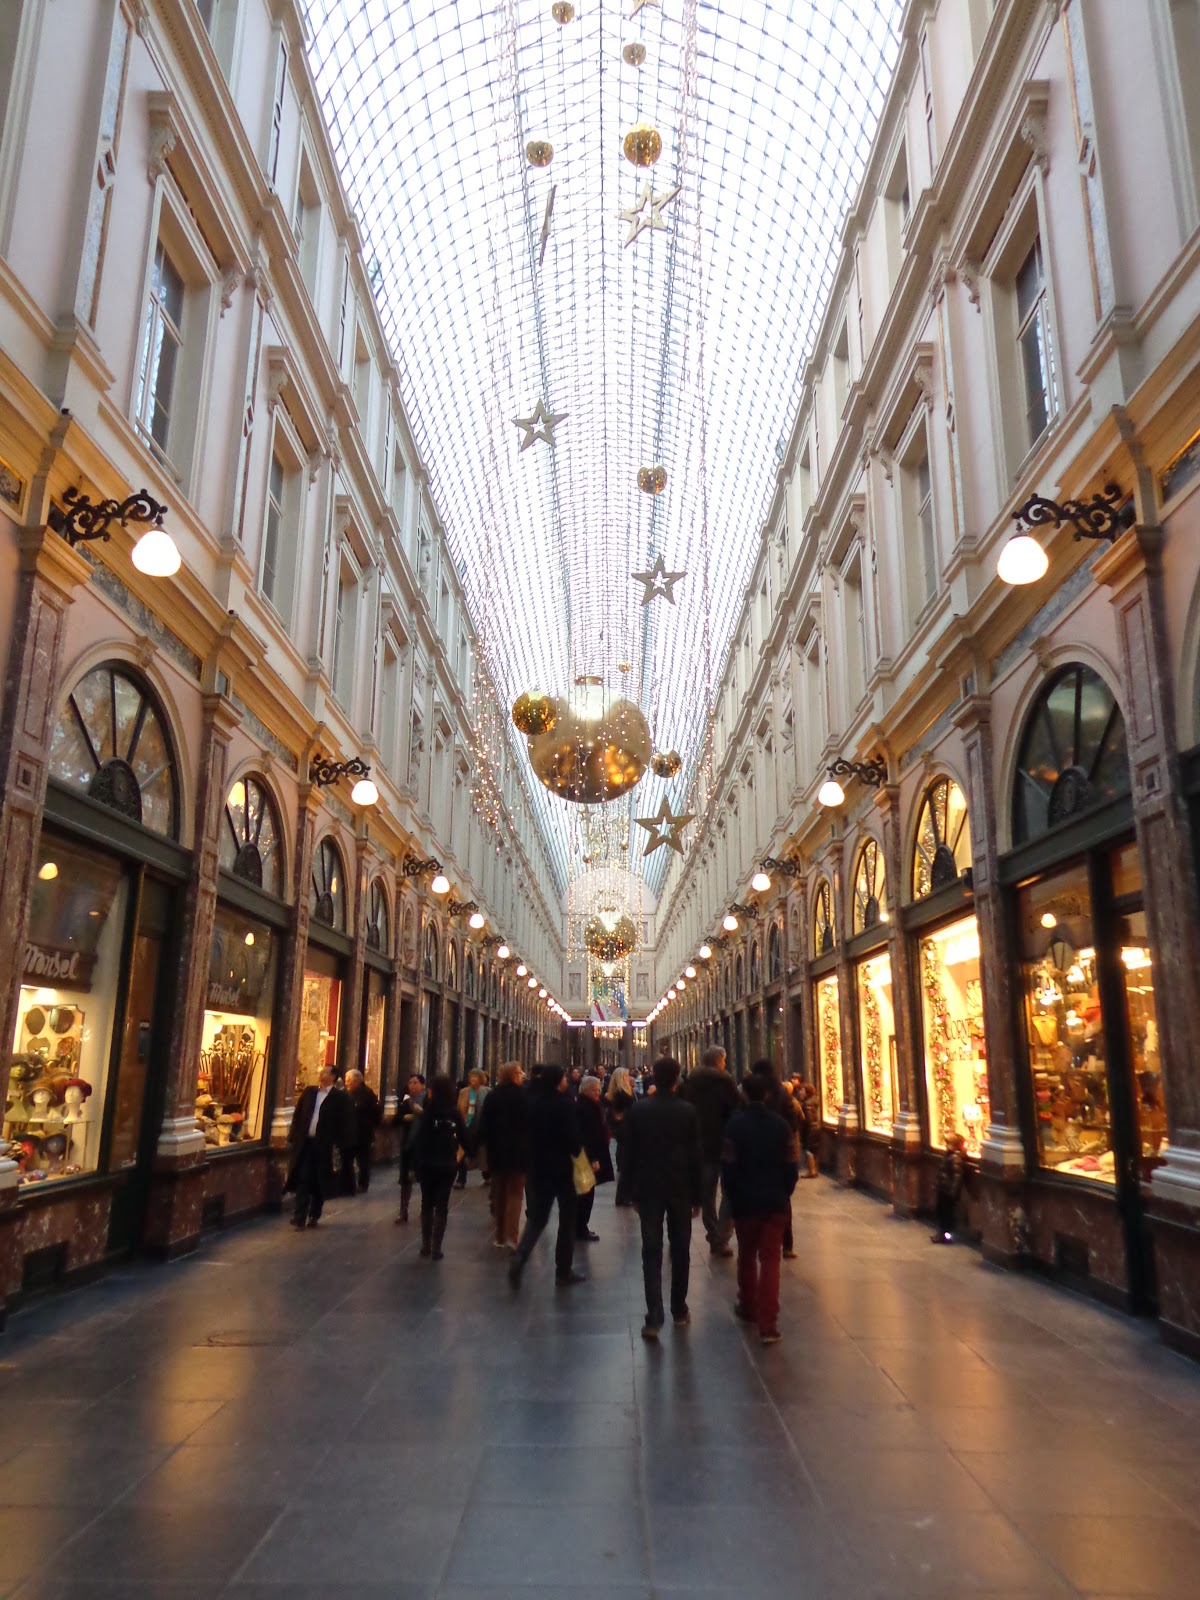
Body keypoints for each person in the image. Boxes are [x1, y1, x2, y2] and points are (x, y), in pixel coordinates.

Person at [624, 1056, 703, 1340]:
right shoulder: (687, 1111)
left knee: (651, 1250)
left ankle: (654, 1316)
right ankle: (679, 1309)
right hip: (680, 1188)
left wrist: (630, 1191)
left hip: (649, 1189)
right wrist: (698, 1196)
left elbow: (629, 1154)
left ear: (654, 1078)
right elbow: (695, 1156)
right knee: (680, 1249)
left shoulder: (639, 1110)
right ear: (677, 1078)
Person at [722, 1073, 799, 1344]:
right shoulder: (780, 1126)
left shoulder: (734, 1126)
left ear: (744, 1095)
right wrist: (784, 1193)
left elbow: (728, 1167)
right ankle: (769, 1325)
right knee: (770, 1261)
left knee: (746, 1255)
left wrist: (732, 1195)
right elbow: (791, 1165)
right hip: (775, 1203)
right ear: (766, 1095)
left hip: (745, 1202)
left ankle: (748, 1307)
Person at [508, 1064, 586, 1289]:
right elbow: (573, 1138)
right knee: (568, 1219)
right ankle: (563, 1270)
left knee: (537, 1218)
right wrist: (580, 1154)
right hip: (563, 1169)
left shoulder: (532, 1102)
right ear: (557, 1081)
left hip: (538, 1167)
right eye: (563, 1078)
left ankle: (521, 1255)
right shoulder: (564, 1104)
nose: (566, 1081)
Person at [680, 1044, 743, 1256]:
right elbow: (736, 1111)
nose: (725, 1063)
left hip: (700, 1146)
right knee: (730, 1191)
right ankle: (721, 1236)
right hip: (723, 1145)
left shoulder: (691, 1082)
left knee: (707, 1194)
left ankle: (713, 1232)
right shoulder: (725, 1082)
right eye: (723, 1060)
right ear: (719, 1061)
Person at [284, 1064, 348, 1229]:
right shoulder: (309, 1092)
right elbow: (298, 1115)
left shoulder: (338, 1098)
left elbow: (342, 1123)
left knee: (319, 1180)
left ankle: (314, 1213)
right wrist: (293, 1135)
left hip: (324, 1146)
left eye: (325, 1072)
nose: (321, 1074)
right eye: (321, 1071)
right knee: (303, 1178)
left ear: (333, 1077)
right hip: (306, 1143)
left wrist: (338, 1144)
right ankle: (299, 1216)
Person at [748, 1060, 801, 1258]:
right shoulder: (782, 1093)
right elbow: (793, 1121)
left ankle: (759, 1240)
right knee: (782, 1200)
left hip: (754, 1151)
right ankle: (787, 1244)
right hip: (779, 1151)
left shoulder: (750, 1092)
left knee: (755, 1199)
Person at [411, 1074, 467, 1260]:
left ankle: (425, 1245)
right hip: (447, 1164)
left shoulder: (428, 1112)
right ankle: (437, 1247)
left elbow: (419, 1140)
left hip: (427, 1164)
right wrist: (463, 1155)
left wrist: (415, 1164)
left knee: (426, 1203)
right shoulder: (454, 1113)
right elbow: (465, 1138)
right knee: (442, 1205)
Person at [477, 1060, 530, 1250]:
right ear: (513, 1075)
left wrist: (482, 1145)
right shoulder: (524, 1095)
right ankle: (512, 1237)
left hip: (497, 1152)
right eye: (519, 1073)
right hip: (519, 1152)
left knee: (499, 1193)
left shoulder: (493, 1095)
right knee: (515, 1194)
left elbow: (484, 1124)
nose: (521, 1075)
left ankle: (499, 1236)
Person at [575, 1074, 615, 1240]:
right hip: (589, 1156)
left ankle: (580, 1226)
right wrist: (593, 1158)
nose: (598, 1093)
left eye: (599, 1089)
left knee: (587, 1191)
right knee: (586, 1192)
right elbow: (587, 1135)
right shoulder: (586, 1108)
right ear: (585, 1090)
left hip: (591, 1154)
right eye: (595, 1090)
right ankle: (580, 1228)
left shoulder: (589, 1105)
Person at [343, 1068, 381, 1193]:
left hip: (363, 1133)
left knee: (363, 1160)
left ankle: (363, 1184)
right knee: (347, 1159)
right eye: (346, 1080)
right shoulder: (345, 1094)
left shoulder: (367, 1094)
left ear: (357, 1081)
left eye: (348, 1081)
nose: (346, 1083)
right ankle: (348, 1184)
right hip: (349, 1133)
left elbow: (377, 1114)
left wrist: (370, 1127)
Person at [395, 1073, 425, 1222]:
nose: (412, 1085)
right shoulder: (405, 1100)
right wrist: (402, 1117)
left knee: (424, 1179)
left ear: (422, 1085)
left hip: (422, 1144)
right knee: (406, 1180)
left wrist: (422, 1113)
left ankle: (425, 1208)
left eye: (415, 1082)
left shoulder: (427, 1100)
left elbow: (432, 1118)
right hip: (407, 1144)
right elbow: (396, 1119)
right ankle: (403, 1210)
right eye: (410, 1083)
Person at [606, 1067, 636, 1206]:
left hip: (624, 1128)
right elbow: (618, 1113)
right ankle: (624, 1196)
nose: (628, 1078)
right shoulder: (621, 1093)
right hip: (625, 1128)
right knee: (627, 1164)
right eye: (626, 1076)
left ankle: (625, 1195)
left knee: (626, 1163)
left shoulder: (622, 1092)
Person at [455, 1068, 489, 1188]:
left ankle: (487, 1175)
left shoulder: (487, 1091)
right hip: (467, 1126)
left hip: (482, 1127)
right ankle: (461, 1179)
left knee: (483, 1152)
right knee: (462, 1152)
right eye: (471, 1076)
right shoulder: (464, 1092)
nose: (473, 1079)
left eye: (476, 1077)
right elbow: (459, 1107)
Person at [932, 1133, 967, 1243]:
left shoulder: (955, 1157)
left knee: (947, 1214)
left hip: (948, 1190)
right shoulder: (948, 1155)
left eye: (948, 1143)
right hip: (943, 1188)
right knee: (941, 1211)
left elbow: (957, 1176)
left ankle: (946, 1235)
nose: (946, 1145)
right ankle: (941, 1233)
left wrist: (953, 1191)